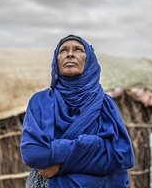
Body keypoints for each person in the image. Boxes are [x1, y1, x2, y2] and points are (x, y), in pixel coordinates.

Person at [20, 35, 134, 188]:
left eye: (78, 50)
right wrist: (94, 145)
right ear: (56, 60)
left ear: (89, 61)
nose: (70, 54)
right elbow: (33, 153)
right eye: (63, 50)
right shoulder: (41, 102)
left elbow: (122, 156)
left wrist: (60, 166)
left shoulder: (105, 104)